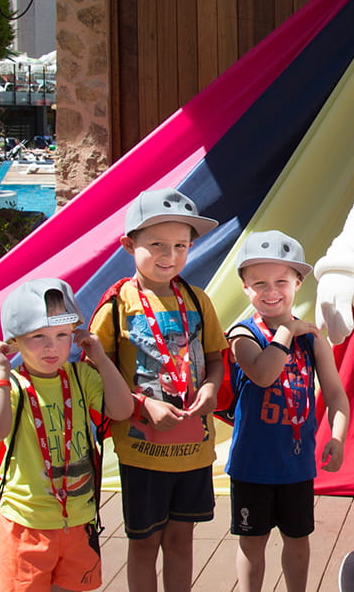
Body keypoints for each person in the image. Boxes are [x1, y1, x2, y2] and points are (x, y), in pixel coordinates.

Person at [89, 188, 227, 592]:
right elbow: (96, 376)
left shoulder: (198, 301)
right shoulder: (118, 306)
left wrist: (210, 388)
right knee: (145, 543)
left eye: (180, 246)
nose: (170, 256)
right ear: (129, 245)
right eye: (157, 245)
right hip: (142, 453)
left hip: (194, 450)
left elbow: (216, 359)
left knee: (182, 540)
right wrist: (142, 404)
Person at [0, 278, 133, 591]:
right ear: (13, 343)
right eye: (38, 336)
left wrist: (101, 359)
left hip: (79, 520)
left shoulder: (81, 376)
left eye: (62, 335)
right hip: (26, 524)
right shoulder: (12, 386)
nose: (52, 346)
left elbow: (121, 409)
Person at [225, 230, 350, 592]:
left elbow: (337, 396)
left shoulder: (312, 340)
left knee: (298, 541)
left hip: (296, 466)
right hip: (252, 466)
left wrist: (337, 437)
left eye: (281, 281)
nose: (271, 291)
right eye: (259, 283)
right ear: (245, 288)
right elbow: (263, 374)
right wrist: (286, 332)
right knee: (252, 544)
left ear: (298, 282)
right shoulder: (242, 334)